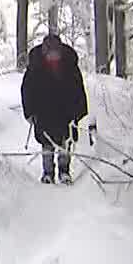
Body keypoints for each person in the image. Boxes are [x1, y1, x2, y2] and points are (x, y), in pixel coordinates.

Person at [20, 31, 88, 184]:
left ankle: (64, 171)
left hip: (66, 111)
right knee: (47, 143)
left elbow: (79, 88)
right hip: (44, 111)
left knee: (65, 141)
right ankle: (48, 172)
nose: (54, 56)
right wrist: (29, 112)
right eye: (51, 53)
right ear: (45, 53)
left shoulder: (70, 65)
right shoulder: (35, 66)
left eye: (56, 53)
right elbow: (27, 90)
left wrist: (79, 111)